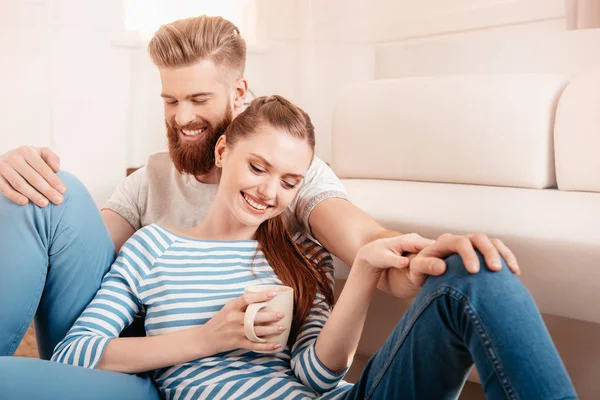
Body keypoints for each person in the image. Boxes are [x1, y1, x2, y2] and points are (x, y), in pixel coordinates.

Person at [0, 15, 574, 399]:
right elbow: (80, 261)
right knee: (46, 190)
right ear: (227, 153)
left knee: (479, 275)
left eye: (198, 98)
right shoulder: (152, 226)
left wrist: (394, 261)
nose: (180, 116)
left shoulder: (298, 248)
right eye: (170, 100)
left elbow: (322, 365)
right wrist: (210, 337)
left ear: (237, 94)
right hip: (158, 361)